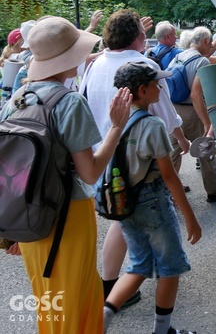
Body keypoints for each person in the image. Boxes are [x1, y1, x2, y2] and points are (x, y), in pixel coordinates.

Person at [2, 17, 131, 333]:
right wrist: (116, 126)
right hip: (66, 216)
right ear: (70, 57)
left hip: (30, 218)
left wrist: (13, 229)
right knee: (75, 302)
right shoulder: (68, 101)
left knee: (50, 303)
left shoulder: (17, 99)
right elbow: (90, 173)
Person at [79, 9, 190, 307]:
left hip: (101, 154)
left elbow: (84, 103)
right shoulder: (142, 64)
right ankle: (138, 278)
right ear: (137, 37)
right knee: (143, 216)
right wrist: (181, 139)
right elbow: (166, 116)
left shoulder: (96, 64)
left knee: (121, 215)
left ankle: (111, 282)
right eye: (142, 33)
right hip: (138, 155)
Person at [103, 62, 201, 334]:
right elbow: (169, 176)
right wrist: (191, 218)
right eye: (156, 84)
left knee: (139, 265)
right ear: (142, 90)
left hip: (126, 202)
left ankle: (101, 320)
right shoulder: (153, 125)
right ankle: (162, 329)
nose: (160, 87)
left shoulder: (116, 121)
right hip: (152, 201)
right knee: (170, 267)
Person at [169, 27, 216, 202]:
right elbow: (195, 94)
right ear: (204, 42)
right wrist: (206, 122)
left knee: (172, 154)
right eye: (210, 42)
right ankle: (213, 190)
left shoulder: (178, 57)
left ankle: (168, 192)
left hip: (175, 110)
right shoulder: (201, 62)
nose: (211, 46)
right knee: (206, 151)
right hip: (193, 112)